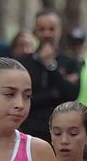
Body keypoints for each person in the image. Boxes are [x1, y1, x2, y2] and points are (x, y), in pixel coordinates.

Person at [17, 11, 81, 140]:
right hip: (29, 130)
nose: (47, 34)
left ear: (59, 31)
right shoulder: (23, 63)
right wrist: (53, 95)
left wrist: (51, 66)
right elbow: (22, 98)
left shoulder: (70, 62)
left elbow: (71, 94)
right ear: (35, 31)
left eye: (51, 29)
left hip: (60, 133)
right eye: (42, 29)